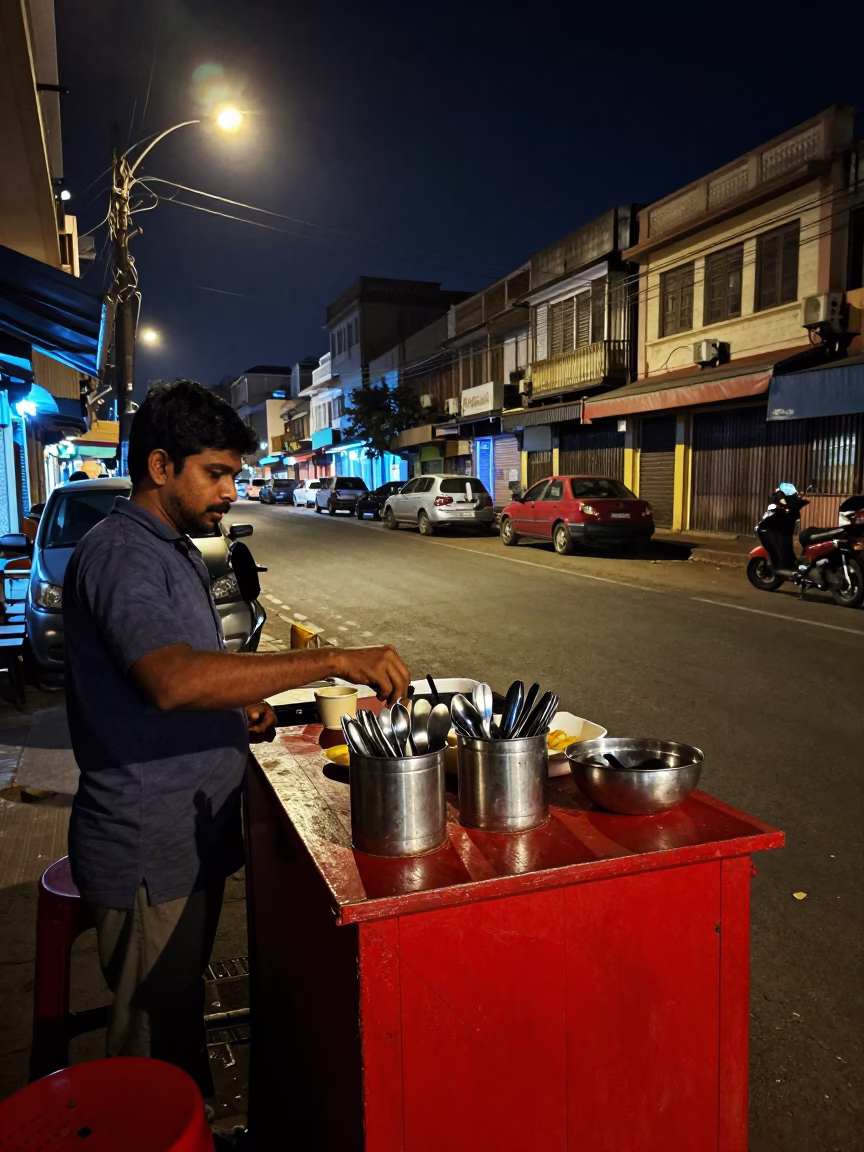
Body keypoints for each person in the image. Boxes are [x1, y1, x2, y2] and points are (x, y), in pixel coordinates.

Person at [63, 380, 409, 1104]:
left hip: (183, 842)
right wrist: (333, 659)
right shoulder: (125, 554)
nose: (230, 491)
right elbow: (171, 679)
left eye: (234, 474)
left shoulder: (174, 547)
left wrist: (233, 712)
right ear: (161, 466)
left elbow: (182, 681)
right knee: (155, 1061)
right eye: (216, 474)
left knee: (181, 1034)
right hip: (146, 849)